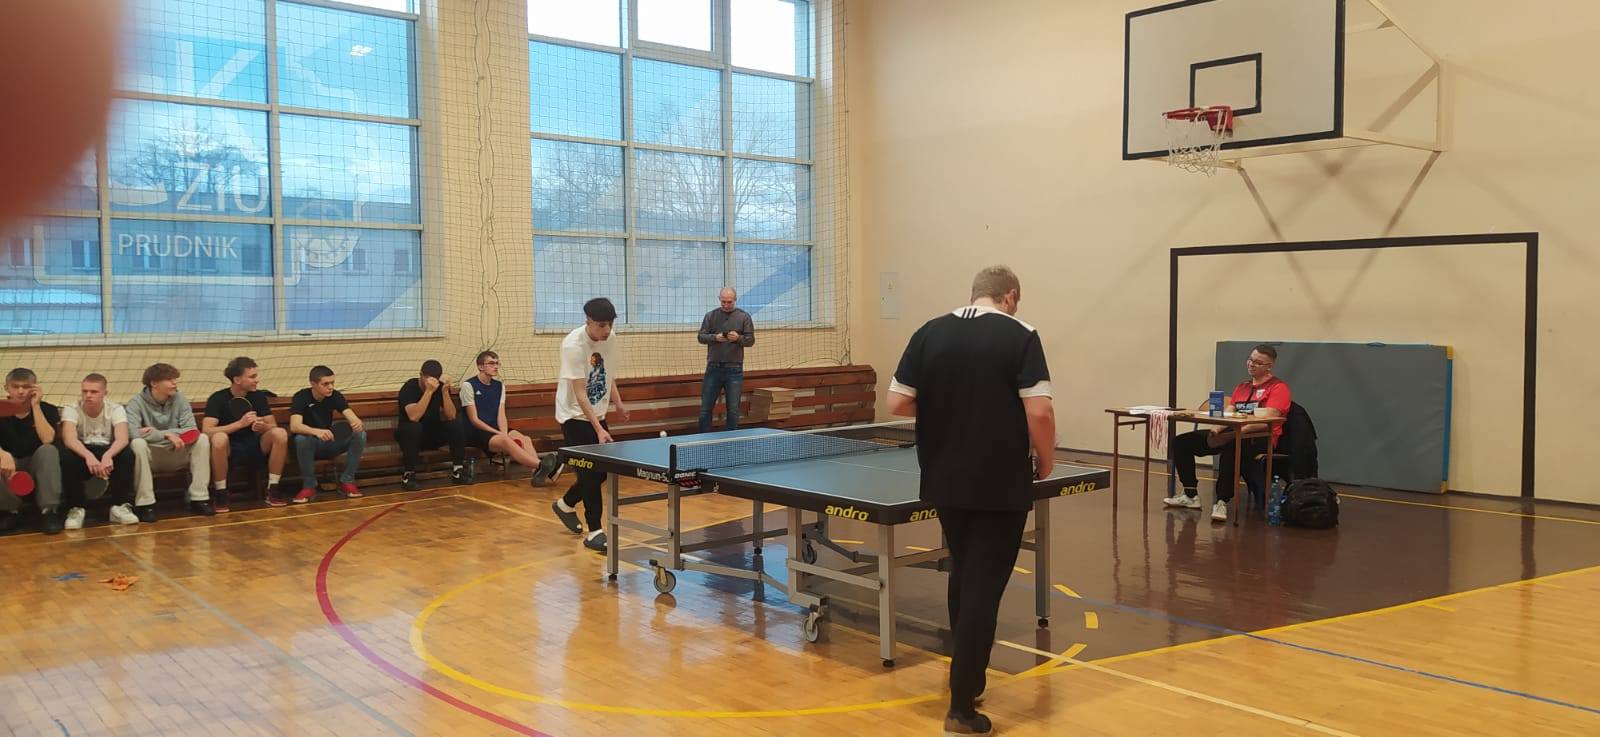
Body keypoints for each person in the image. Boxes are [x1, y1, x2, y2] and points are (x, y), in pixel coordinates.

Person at [886, 266, 1055, 737]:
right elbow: (1040, 410)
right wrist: (1046, 459)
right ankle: (961, 709)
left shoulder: (930, 331)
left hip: (943, 477)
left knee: (964, 573)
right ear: (1010, 296)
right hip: (999, 481)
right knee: (984, 586)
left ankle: (967, 681)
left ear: (975, 293)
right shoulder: (1021, 334)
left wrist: (948, 406)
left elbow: (896, 402)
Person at [1163, 344, 1291, 522]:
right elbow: (1229, 412)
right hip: (1233, 431)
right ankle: (1190, 494)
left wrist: (1233, 434)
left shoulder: (1278, 388)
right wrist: (1216, 429)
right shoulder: (1242, 387)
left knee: (1232, 445)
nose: (1251, 364)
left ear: (1269, 366)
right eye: (1250, 360)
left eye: (1258, 362)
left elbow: (1266, 421)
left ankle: (1222, 501)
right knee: (1182, 442)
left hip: (1259, 438)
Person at [549, 298, 629, 553]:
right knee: (589, 475)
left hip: (597, 414)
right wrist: (599, 428)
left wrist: (618, 403)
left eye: (610, 324)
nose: (607, 330)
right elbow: (580, 392)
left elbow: (608, 373)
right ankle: (595, 531)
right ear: (589, 321)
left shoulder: (610, 339)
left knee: (603, 471)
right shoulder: (573, 345)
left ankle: (565, 504)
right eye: (602, 325)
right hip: (574, 416)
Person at [459, 350, 561, 485]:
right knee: (506, 441)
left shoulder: (499, 386)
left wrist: (503, 432)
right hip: (477, 432)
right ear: (480, 366)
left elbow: (501, 414)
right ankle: (541, 465)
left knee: (525, 439)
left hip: (496, 429)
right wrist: (501, 435)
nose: (496, 366)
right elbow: (474, 419)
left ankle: (536, 474)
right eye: (491, 363)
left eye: (497, 363)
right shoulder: (468, 386)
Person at [127, 363, 213, 519]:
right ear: (154, 383)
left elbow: (191, 429)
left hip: (176, 450)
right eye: (169, 379)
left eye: (175, 379)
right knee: (137, 444)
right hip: (152, 456)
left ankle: (199, 499)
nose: (174, 383)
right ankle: (145, 504)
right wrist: (166, 435)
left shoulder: (180, 398)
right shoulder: (136, 403)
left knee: (202, 439)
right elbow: (133, 433)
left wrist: (159, 433)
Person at [203, 356, 290, 511]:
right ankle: (221, 492)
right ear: (237, 379)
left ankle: (273, 489)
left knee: (280, 433)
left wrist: (262, 426)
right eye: (252, 377)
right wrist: (240, 424)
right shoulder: (218, 398)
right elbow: (207, 430)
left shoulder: (258, 396)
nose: (257, 380)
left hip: (254, 445)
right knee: (219, 438)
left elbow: (272, 425)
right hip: (229, 449)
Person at [60, 373, 137, 528]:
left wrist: (108, 455)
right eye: (85, 391)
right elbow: (69, 440)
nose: (88, 395)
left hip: (106, 450)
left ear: (104, 393)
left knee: (126, 454)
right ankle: (76, 508)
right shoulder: (71, 409)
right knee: (67, 456)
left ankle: (119, 506)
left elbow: (122, 438)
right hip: (83, 451)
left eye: (94, 392)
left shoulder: (115, 409)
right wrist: (88, 456)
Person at [288, 366, 367, 503]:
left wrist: (357, 423)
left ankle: (347, 481)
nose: (330, 387)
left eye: (332, 383)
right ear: (313, 384)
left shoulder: (335, 395)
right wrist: (316, 431)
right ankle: (309, 486)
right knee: (301, 439)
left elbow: (352, 417)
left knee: (360, 434)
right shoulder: (301, 397)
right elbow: (295, 426)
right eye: (325, 384)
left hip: (328, 443)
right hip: (307, 445)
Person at [0, 368, 64, 534]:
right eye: (16, 386)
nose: (21, 391)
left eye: (26, 386)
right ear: (7, 388)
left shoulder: (48, 409)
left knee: (48, 450)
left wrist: (35, 406)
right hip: (9, 466)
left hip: (36, 464)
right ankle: (9, 511)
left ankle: (49, 511)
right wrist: (2, 453)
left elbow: (47, 438)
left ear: (35, 388)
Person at [395, 359, 469, 491]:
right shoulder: (409, 388)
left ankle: (458, 470)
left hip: (432, 433)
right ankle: (408, 475)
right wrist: (428, 392)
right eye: (427, 378)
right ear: (421, 375)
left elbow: (451, 415)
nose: (431, 382)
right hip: (410, 437)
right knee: (413, 428)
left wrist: (445, 392)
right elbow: (414, 417)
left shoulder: (439, 387)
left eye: (435, 379)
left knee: (456, 424)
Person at [696, 286, 755, 433]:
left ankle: (731, 440)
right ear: (719, 300)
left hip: (734, 369)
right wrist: (715, 337)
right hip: (713, 368)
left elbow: (750, 340)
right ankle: (702, 438)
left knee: (733, 410)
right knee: (705, 408)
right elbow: (701, 337)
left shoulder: (744, 317)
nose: (726, 305)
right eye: (723, 302)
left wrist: (738, 338)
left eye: (729, 302)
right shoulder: (710, 316)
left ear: (735, 300)